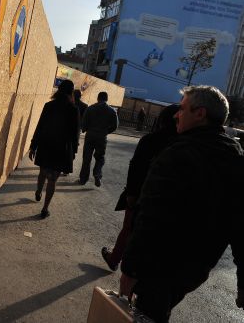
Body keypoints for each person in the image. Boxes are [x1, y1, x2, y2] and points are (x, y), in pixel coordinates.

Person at [119, 86, 244, 322]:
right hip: (195, 269)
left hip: (159, 264)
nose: (177, 114)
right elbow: (240, 225)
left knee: (145, 314)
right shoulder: (235, 159)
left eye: (183, 109)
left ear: (200, 114)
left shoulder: (178, 154)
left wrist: (130, 270)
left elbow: (151, 216)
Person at [101, 104, 179, 271]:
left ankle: (115, 259)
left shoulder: (151, 140)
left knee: (129, 228)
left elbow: (135, 167)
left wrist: (131, 193)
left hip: (141, 193)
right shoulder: (182, 144)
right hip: (168, 201)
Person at [29, 80, 79, 219]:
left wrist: (33, 145)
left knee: (42, 171)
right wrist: (74, 151)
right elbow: (75, 133)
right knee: (52, 179)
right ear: (71, 92)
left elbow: (40, 126)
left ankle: (39, 191)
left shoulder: (49, 106)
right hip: (61, 148)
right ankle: (45, 209)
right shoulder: (73, 109)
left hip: (46, 144)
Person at [78, 91, 118, 187]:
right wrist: (106, 132)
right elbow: (115, 126)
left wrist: (85, 129)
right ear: (107, 99)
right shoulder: (112, 111)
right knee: (100, 158)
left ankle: (83, 179)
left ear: (98, 98)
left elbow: (84, 122)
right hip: (101, 137)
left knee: (87, 158)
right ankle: (97, 173)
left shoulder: (90, 108)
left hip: (90, 136)